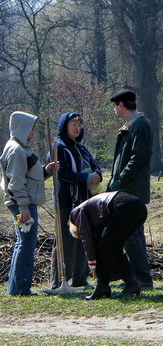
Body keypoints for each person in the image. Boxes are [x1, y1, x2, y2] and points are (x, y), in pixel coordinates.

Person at [1, 111, 59, 296]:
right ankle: (21, 288)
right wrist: (23, 207)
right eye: (31, 129)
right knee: (26, 243)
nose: (33, 132)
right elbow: (16, 182)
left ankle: (16, 288)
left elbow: (28, 176)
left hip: (22, 202)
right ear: (22, 128)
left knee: (23, 242)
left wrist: (47, 170)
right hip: (22, 205)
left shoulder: (19, 148)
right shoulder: (17, 151)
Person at [49, 112, 103, 291]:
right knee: (64, 241)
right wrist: (85, 178)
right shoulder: (59, 147)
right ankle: (59, 281)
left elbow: (95, 167)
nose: (77, 127)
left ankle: (80, 279)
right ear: (64, 126)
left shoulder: (81, 148)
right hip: (66, 201)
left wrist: (97, 175)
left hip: (83, 202)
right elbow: (62, 173)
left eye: (79, 124)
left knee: (82, 238)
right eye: (73, 124)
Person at [107, 90, 154, 288]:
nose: (114, 110)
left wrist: (120, 179)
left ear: (121, 105)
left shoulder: (140, 125)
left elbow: (139, 157)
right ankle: (134, 276)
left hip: (131, 191)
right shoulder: (129, 126)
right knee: (130, 235)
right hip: (126, 191)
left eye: (115, 105)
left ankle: (141, 278)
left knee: (132, 236)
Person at [68, 191, 148, 300]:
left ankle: (131, 284)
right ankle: (103, 286)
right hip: (139, 207)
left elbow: (87, 239)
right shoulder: (94, 214)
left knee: (107, 247)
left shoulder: (75, 214)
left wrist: (92, 264)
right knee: (109, 247)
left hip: (123, 206)